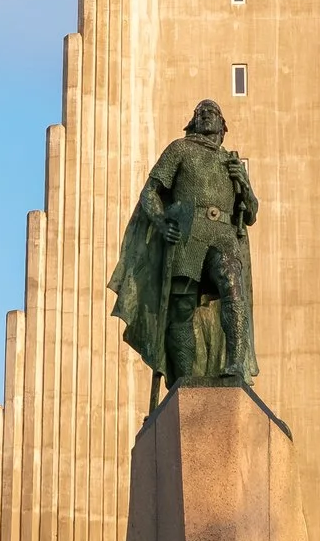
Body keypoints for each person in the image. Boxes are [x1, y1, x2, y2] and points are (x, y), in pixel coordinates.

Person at [109, 99, 258, 392]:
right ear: (193, 122)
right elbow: (150, 191)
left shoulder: (231, 162)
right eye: (200, 113)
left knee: (232, 288)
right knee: (182, 305)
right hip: (187, 232)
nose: (205, 116)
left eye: (211, 112)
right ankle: (184, 379)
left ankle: (235, 365)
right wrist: (162, 222)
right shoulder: (180, 149)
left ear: (222, 125)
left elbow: (250, 213)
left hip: (223, 234)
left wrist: (245, 185)